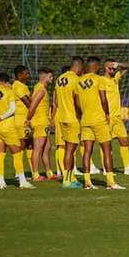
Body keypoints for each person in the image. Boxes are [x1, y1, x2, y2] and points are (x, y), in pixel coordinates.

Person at [76, 56, 124, 190]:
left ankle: (87, 182)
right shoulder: (99, 79)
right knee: (107, 150)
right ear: (96, 66)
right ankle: (111, 182)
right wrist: (107, 114)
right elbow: (103, 99)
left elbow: (77, 102)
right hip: (99, 119)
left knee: (87, 151)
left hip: (86, 120)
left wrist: (82, 114)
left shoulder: (79, 81)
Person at [0, 73, 33, 189]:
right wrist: (1, 118)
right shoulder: (9, 91)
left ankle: (2, 182)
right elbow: (13, 109)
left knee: (0, 154)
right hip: (7, 126)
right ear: (7, 82)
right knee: (17, 154)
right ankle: (22, 182)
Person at [103, 60, 129, 175]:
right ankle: (106, 169)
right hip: (107, 117)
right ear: (105, 67)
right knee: (106, 144)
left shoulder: (115, 78)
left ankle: (127, 168)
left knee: (124, 140)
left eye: (114, 68)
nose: (113, 69)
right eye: (111, 67)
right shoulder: (101, 81)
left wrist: (118, 64)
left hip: (117, 118)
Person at [53, 56, 84, 189]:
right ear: (78, 66)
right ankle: (67, 180)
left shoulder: (60, 79)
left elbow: (56, 100)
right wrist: (82, 114)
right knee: (70, 150)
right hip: (72, 118)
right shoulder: (75, 80)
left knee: (67, 149)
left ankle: (71, 177)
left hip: (62, 117)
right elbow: (77, 101)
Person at [24, 67, 57, 181]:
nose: (52, 79)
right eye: (50, 76)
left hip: (44, 122)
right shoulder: (41, 89)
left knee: (47, 147)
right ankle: (35, 174)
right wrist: (28, 119)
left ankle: (49, 172)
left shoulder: (42, 88)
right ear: (45, 76)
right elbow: (32, 106)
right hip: (39, 122)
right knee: (38, 148)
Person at [12, 65, 34, 176]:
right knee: (21, 144)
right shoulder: (18, 86)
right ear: (19, 75)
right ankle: (18, 173)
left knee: (29, 144)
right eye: (26, 73)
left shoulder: (22, 85)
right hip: (21, 119)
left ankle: (33, 171)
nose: (28, 76)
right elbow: (28, 102)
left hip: (25, 119)